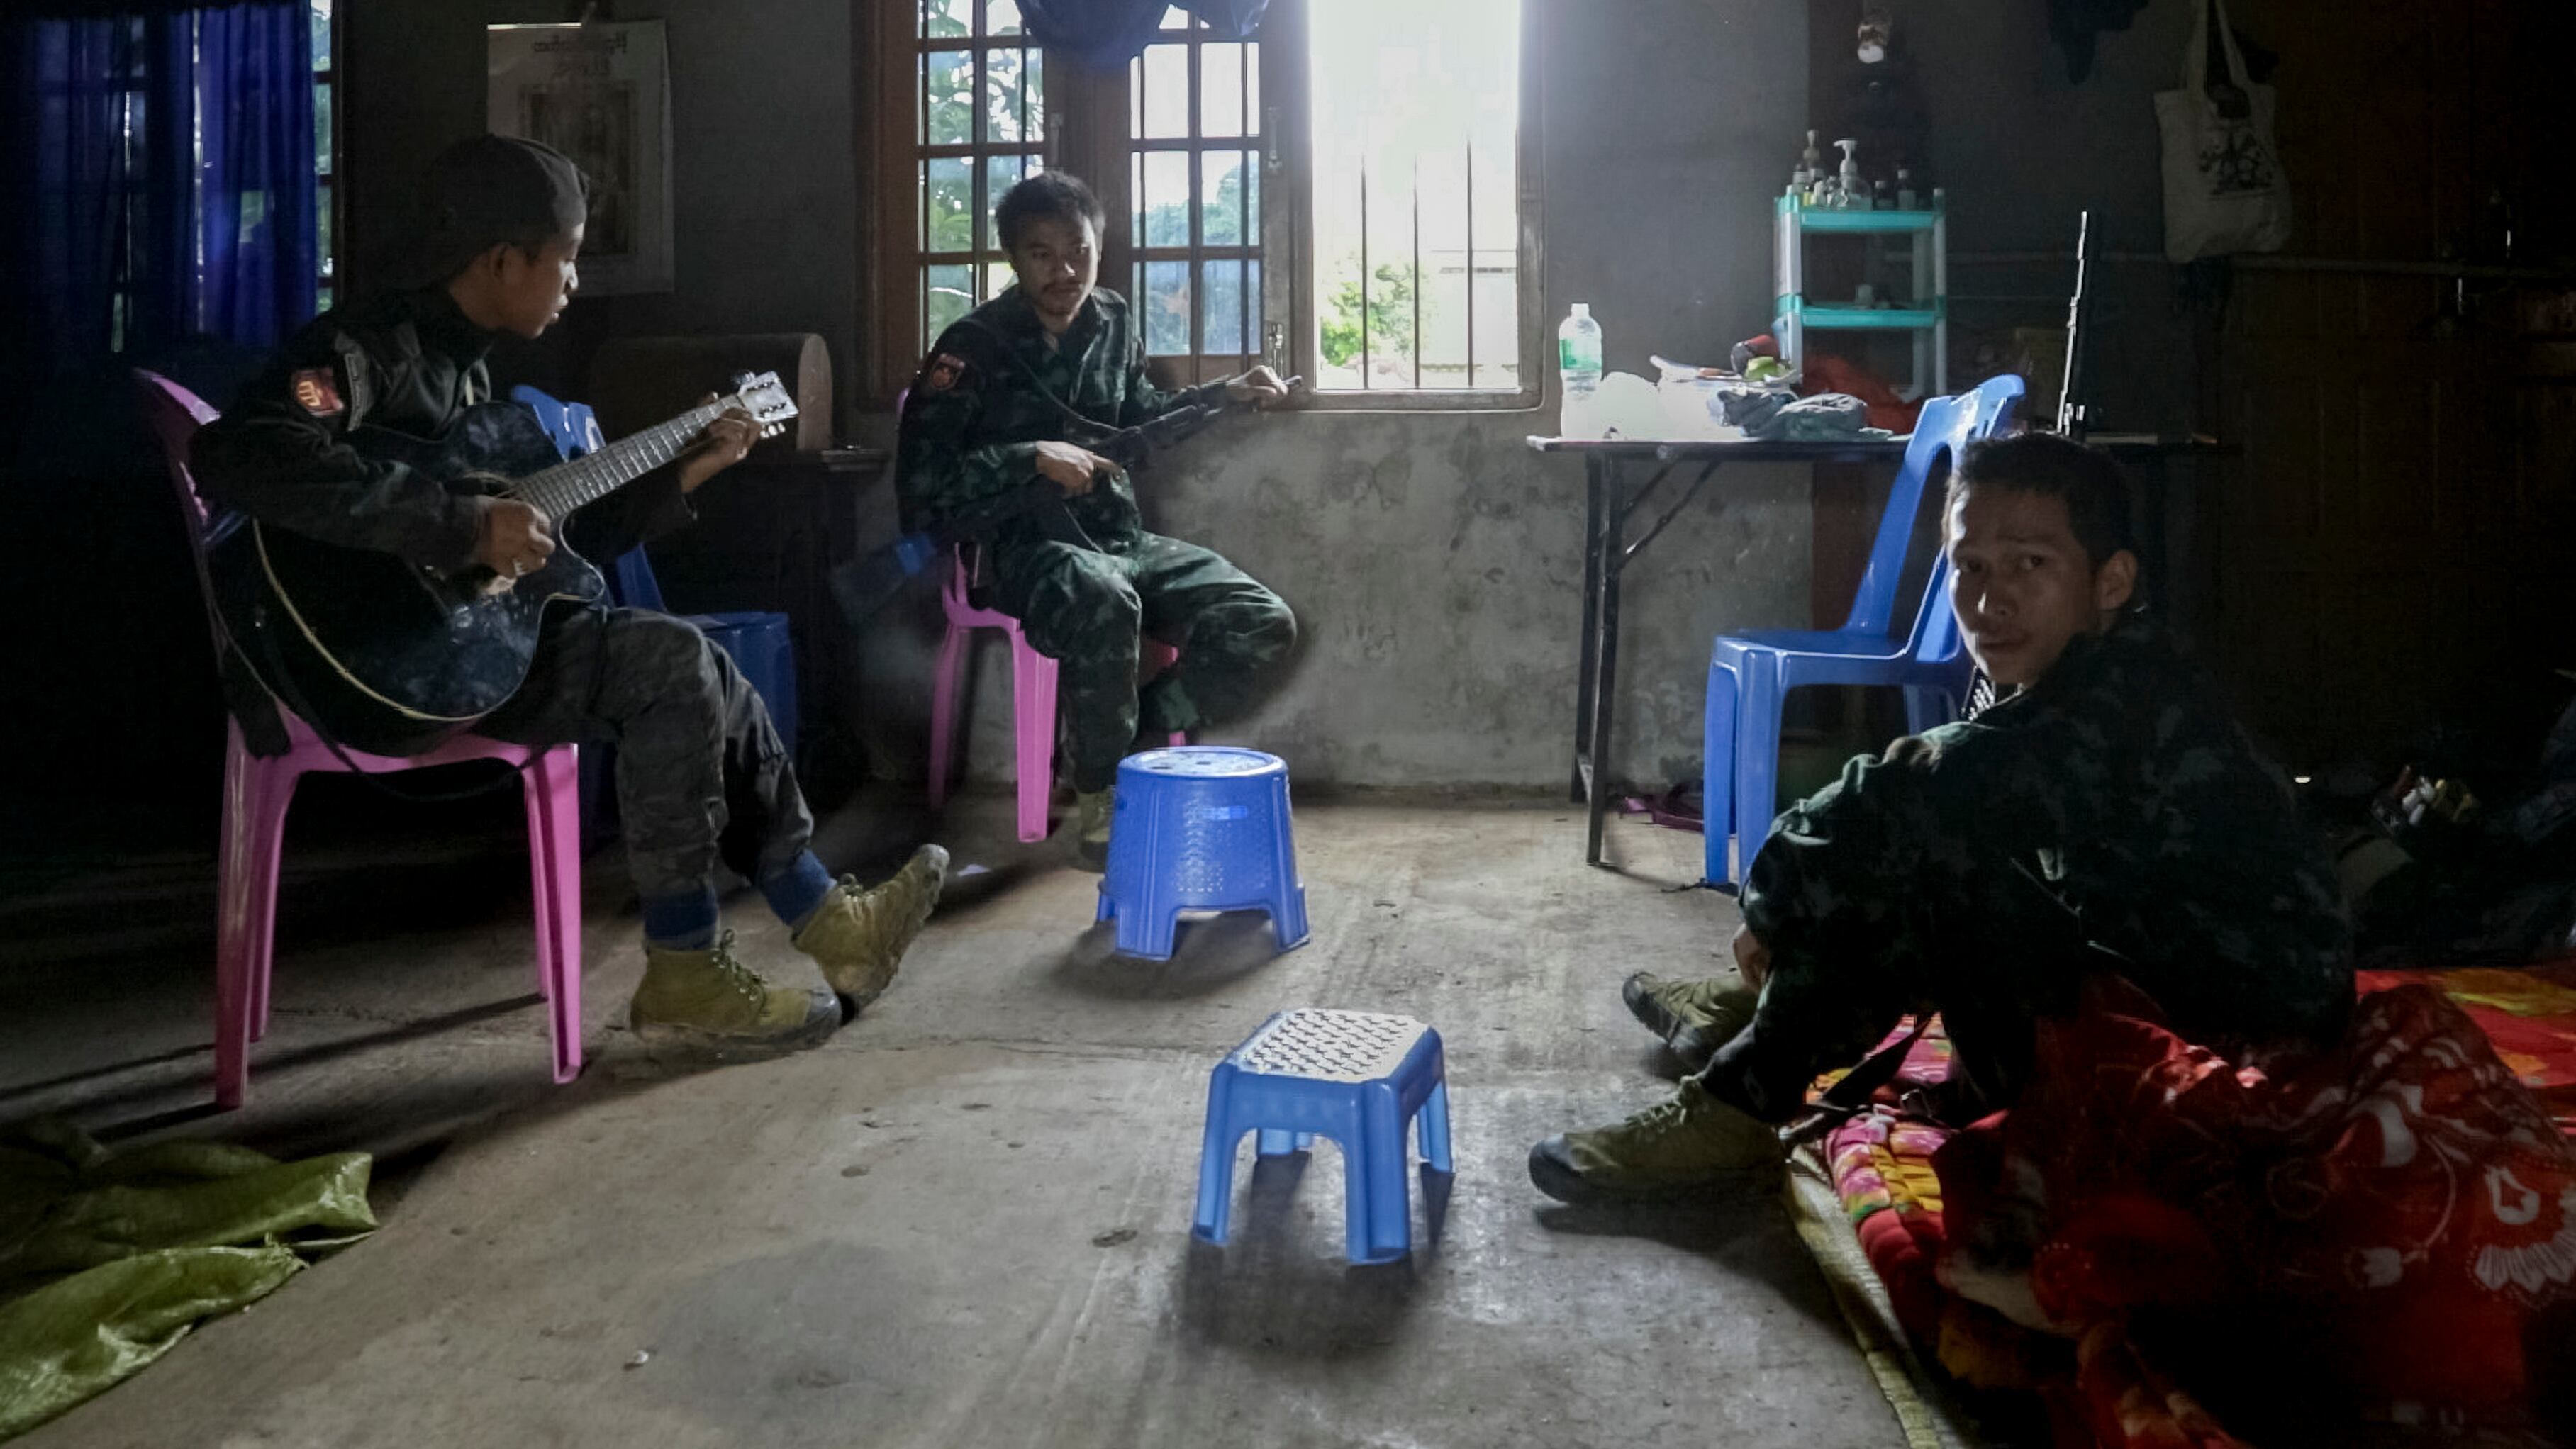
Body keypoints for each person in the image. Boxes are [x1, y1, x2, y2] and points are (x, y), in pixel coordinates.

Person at [192, 135, 947, 1058]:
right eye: (568, 257)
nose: (574, 282)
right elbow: (239, 452)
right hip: (372, 658)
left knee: (698, 662)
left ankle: (830, 924)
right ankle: (686, 968)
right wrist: (458, 524)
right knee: (670, 664)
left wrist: (692, 466)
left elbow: (558, 545)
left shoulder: (475, 374)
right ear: (503, 259)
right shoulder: (363, 351)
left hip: (458, 649)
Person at [1530, 430, 2355, 1203]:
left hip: (2226, 1068)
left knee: (1924, 847)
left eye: (2030, 563)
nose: (1991, 598)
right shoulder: (2094, 662)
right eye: (1970, 565)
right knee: (1923, 850)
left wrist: (1774, 898)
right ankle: (1766, 1020)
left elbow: (1912, 791)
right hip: (2167, 999)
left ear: (2111, 581)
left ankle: (1742, 1100)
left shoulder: (2126, 699)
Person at [897, 171, 1298, 867]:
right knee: (1106, 597)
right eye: (1042, 253)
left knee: (1261, 620)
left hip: (1117, 536)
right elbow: (922, 488)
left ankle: (1114, 742)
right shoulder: (971, 348)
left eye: (1078, 249)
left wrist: (1225, 395)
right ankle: (1106, 808)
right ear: (1014, 260)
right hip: (1019, 549)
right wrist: (1030, 457)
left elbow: (1138, 416)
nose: (1065, 270)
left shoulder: (1112, 319)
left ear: (1098, 247)